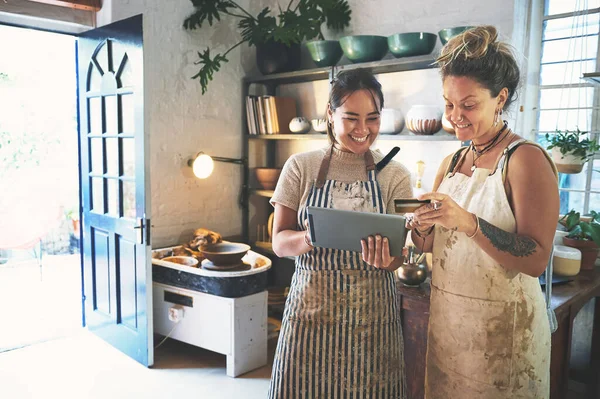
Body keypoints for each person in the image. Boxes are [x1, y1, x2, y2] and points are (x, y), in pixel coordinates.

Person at [410, 26, 559, 398]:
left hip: (505, 338)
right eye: (448, 104)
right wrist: (421, 226)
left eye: (468, 104)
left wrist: (469, 223)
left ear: (501, 98)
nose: (455, 116)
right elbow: (431, 247)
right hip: (450, 329)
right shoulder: (452, 160)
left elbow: (537, 258)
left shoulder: (525, 160)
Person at [267, 68, 413, 398]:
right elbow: (279, 242)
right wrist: (309, 237)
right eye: (351, 118)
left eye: (372, 119)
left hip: (373, 321)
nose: (363, 130)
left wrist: (388, 259)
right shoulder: (300, 167)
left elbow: (399, 259)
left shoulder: (396, 175)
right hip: (309, 316)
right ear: (331, 114)